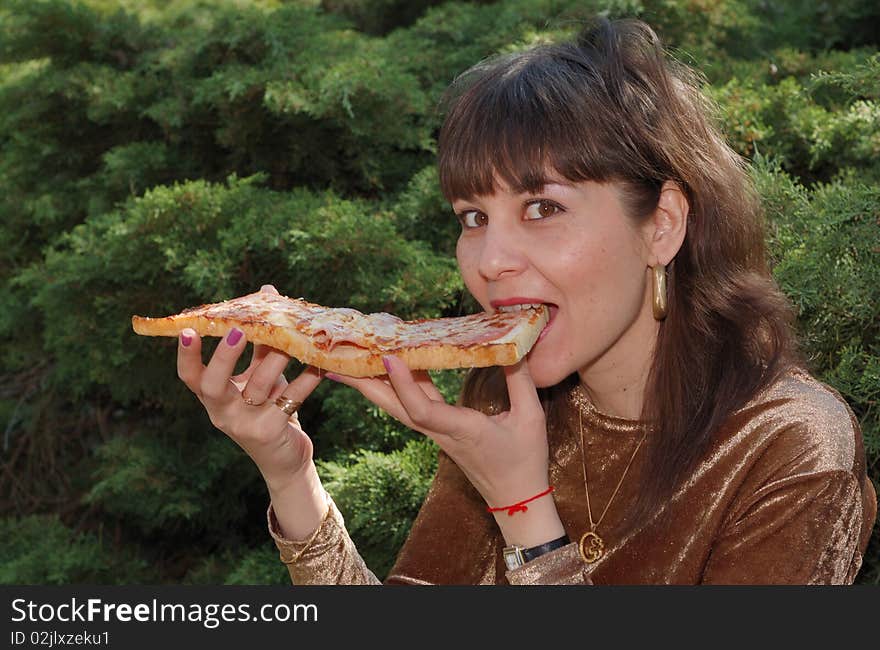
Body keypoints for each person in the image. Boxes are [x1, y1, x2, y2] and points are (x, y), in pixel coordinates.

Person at [175, 18, 876, 584]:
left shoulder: (790, 446)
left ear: (661, 225)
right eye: (473, 216)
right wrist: (288, 472)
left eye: (542, 206)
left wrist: (523, 512)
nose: (490, 261)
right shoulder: (510, 404)